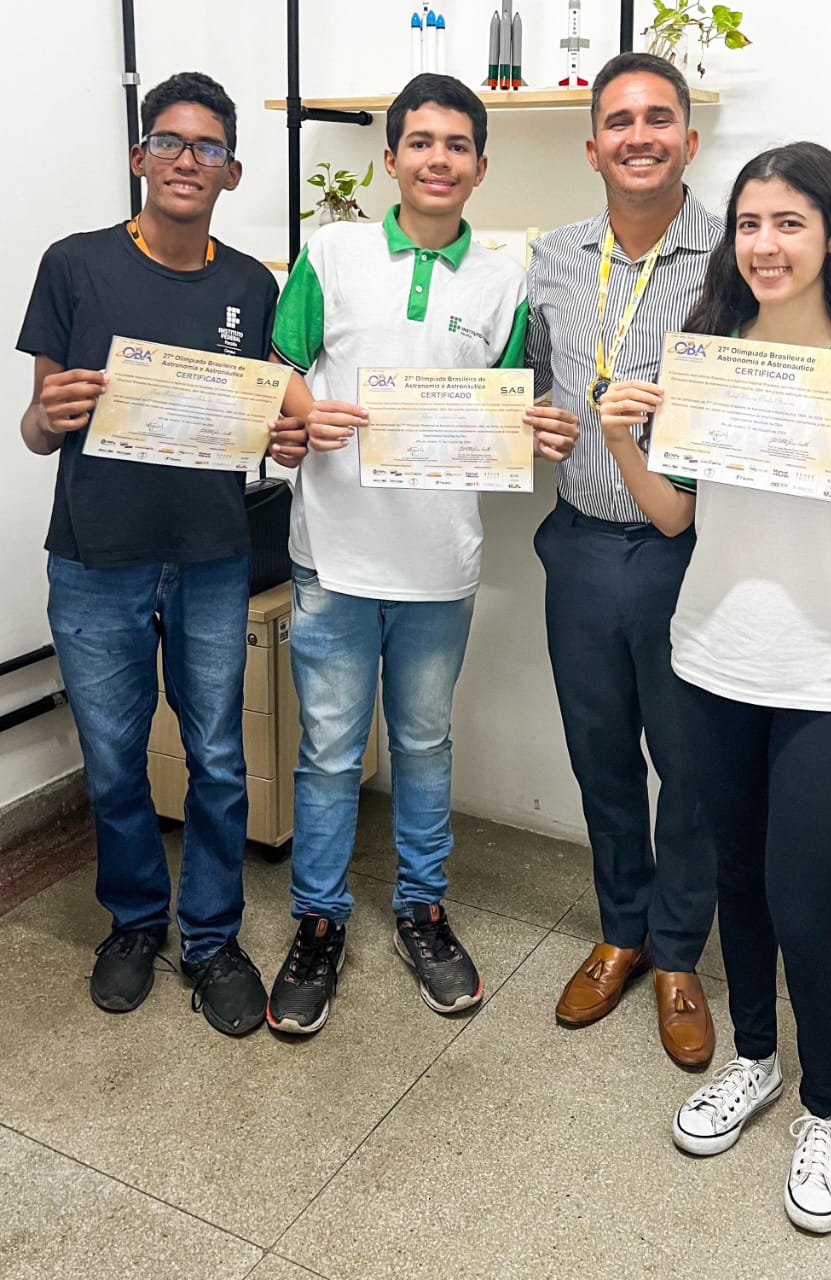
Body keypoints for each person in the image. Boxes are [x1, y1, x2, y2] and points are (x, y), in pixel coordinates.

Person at [597, 141, 831, 1233]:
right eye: (749, 223)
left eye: (788, 222)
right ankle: (754, 1058)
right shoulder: (707, 359)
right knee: (736, 884)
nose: (763, 243)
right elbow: (673, 515)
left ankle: (827, 1110)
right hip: (713, 659)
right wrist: (622, 443)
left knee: (801, 903)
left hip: (830, 675)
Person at [266, 73, 579, 1036]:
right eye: (420, 142)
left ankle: (421, 911)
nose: (437, 159)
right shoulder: (332, 251)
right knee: (327, 752)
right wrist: (308, 415)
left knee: (424, 746)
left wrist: (537, 432)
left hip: (440, 563)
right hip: (332, 557)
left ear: (480, 167)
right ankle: (318, 921)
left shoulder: (504, 279)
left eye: (456, 146)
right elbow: (280, 373)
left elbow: (505, 414)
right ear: (390, 157)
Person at [17, 71, 307, 1037]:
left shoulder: (250, 285)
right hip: (94, 554)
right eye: (171, 142)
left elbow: (257, 421)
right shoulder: (75, 264)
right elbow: (38, 428)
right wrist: (47, 416)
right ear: (141, 156)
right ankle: (136, 922)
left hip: (212, 556)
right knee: (112, 760)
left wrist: (286, 439)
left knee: (217, 758)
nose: (189, 160)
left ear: (233, 171)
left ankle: (213, 937)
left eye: (208, 147)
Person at [526, 52, 717, 1067]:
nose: (638, 135)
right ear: (592, 145)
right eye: (619, 121)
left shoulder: (736, 256)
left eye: (657, 118)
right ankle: (623, 930)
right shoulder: (553, 256)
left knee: (689, 765)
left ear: (689, 138)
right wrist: (529, 423)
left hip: (691, 554)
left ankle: (679, 953)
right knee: (599, 754)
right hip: (580, 545)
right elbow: (527, 378)